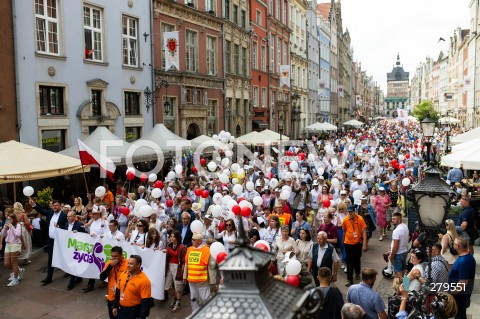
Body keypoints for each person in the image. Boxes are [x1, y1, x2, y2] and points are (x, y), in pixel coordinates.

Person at [29, 198, 67, 285]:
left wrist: (59, 226)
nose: (55, 207)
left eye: (56, 205)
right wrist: (34, 204)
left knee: (64, 257)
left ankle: (70, 273)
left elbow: (67, 227)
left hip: (60, 241)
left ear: (60, 206)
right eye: (54, 205)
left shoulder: (64, 215)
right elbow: (41, 211)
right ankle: (49, 277)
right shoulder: (50, 213)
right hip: (50, 240)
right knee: (50, 258)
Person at [112, 255, 152, 319]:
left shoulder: (144, 281)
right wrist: (115, 306)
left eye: (131, 264)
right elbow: (118, 290)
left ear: (138, 265)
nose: (128, 265)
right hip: (121, 310)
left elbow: (146, 302)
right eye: (128, 263)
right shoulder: (123, 274)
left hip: (134, 312)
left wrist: (142, 317)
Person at [448, 236, 476, 319]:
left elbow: (463, 282)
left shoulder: (464, 261)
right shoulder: (467, 257)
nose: (453, 245)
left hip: (460, 296)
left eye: (454, 244)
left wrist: (452, 292)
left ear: (458, 246)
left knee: (460, 316)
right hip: (461, 296)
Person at [184, 232, 212, 312]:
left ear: (200, 241)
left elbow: (209, 265)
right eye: (192, 240)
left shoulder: (206, 250)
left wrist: (212, 280)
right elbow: (187, 264)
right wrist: (184, 276)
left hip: (202, 280)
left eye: (194, 240)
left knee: (205, 299)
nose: (192, 241)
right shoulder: (189, 249)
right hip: (191, 280)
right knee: (194, 299)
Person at [100, 246, 128, 319]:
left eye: (115, 256)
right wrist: (110, 266)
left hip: (123, 298)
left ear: (121, 255)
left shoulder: (127, 264)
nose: (113, 258)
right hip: (112, 297)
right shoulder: (109, 263)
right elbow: (102, 277)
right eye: (112, 256)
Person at [342, 205, 367, 287]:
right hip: (348, 243)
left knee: (357, 259)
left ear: (354, 211)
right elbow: (344, 231)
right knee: (349, 261)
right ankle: (349, 279)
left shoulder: (360, 219)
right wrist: (343, 241)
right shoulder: (345, 220)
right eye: (349, 212)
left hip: (357, 243)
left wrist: (364, 244)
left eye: (351, 211)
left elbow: (364, 232)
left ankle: (357, 273)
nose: (350, 213)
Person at [61, 210, 86, 290]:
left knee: (74, 264)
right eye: (67, 216)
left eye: (70, 216)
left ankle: (71, 282)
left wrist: (78, 233)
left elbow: (85, 236)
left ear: (74, 217)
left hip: (77, 248)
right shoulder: (66, 224)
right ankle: (78, 278)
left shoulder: (79, 225)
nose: (68, 218)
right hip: (69, 247)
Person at [0, 210, 24, 287]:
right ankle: (19, 270)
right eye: (8, 219)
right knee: (6, 263)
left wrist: (11, 227)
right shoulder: (7, 225)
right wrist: (4, 228)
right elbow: (3, 235)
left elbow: (17, 234)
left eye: (10, 219)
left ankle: (15, 279)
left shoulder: (18, 225)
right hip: (8, 244)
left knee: (14, 262)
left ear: (14, 219)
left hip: (15, 244)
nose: (9, 220)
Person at [389, 212, 409, 278]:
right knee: (404, 271)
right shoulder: (405, 226)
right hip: (404, 252)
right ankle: (406, 286)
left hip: (398, 254)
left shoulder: (396, 231)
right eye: (392, 219)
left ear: (399, 219)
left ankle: (401, 287)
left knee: (399, 274)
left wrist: (391, 256)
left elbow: (396, 246)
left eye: (394, 219)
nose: (392, 221)